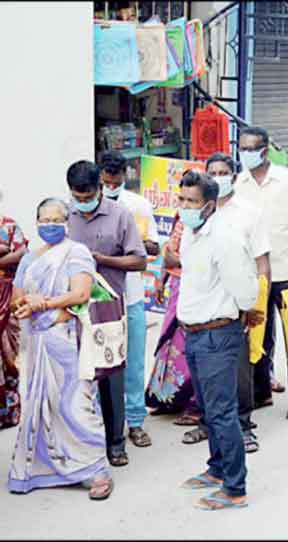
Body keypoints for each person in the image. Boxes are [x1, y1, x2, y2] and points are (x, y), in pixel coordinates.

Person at [8, 198, 113, 499]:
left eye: (56, 219)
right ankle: (47, 468)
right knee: (42, 405)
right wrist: (26, 303)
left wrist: (46, 304)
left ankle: (96, 470)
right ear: (36, 221)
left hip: (69, 338)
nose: (49, 224)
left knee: (78, 404)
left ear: (66, 222)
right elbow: (17, 298)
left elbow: (80, 293)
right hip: (38, 342)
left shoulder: (76, 253)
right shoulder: (29, 258)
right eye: (44, 219)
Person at [176, 171, 258, 511]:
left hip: (217, 334)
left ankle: (235, 488)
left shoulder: (225, 237)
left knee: (223, 412)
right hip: (194, 333)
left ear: (209, 205)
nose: (183, 207)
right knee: (210, 408)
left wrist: (237, 315)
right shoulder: (190, 234)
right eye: (181, 199)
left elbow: (246, 292)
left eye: (191, 202)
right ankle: (217, 469)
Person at [66, 160, 146, 467]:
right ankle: (85, 440)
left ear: (100, 188)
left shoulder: (120, 215)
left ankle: (116, 443)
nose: (83, 203)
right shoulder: (65, 216)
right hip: (73, 306)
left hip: (109, 305)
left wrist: (99, 259)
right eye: (78, 197)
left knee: (111, 374)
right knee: (78, 374)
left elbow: (139, 261)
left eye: (88, 197)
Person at [235, 126, 288, 420]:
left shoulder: (287, 179)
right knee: (258, 337)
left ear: (265, 151)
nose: (244, 154)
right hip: (255, 276)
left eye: (250, 148)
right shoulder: (239, 183)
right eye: (241, 148)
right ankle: (261, 393)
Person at [194, 153, 272, 453]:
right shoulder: (198, 212)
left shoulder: (249, 213)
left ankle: (244, 425)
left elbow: (262, 261)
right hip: (205, 303)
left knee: (239, 368)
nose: (217, 176)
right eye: (211, 171)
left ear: (234, 175)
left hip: (240, 302)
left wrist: (257, 304)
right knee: (204, 369)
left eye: (223, 171)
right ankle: (207, 423)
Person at [98, 151, 159, 449]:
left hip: (132, 296)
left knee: (133, 362)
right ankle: (105, 424)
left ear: (125, 177)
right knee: (102, 364)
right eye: (106, 182)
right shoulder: (85, 208)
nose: (110, 187)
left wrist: (135, 243)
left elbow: (154, 249)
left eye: (115, 182)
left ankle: (135, 421)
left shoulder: (138, 206)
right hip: (98, 299)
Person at [146, 215, 200, 422]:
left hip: (196, 286)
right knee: (170, 344)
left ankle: (194, 404)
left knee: (189, 347)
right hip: (177, 286)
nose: (186, 202)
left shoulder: (211, 219)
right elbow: (169, 250)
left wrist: (179, 262)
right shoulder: (182, 216)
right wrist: (162, 278)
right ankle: (168, 398)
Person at [0, 205, 27, 430]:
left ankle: (8, 410)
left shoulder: (9, 225)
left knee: (10, 353)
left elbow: (21, 254)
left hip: (7, 294)